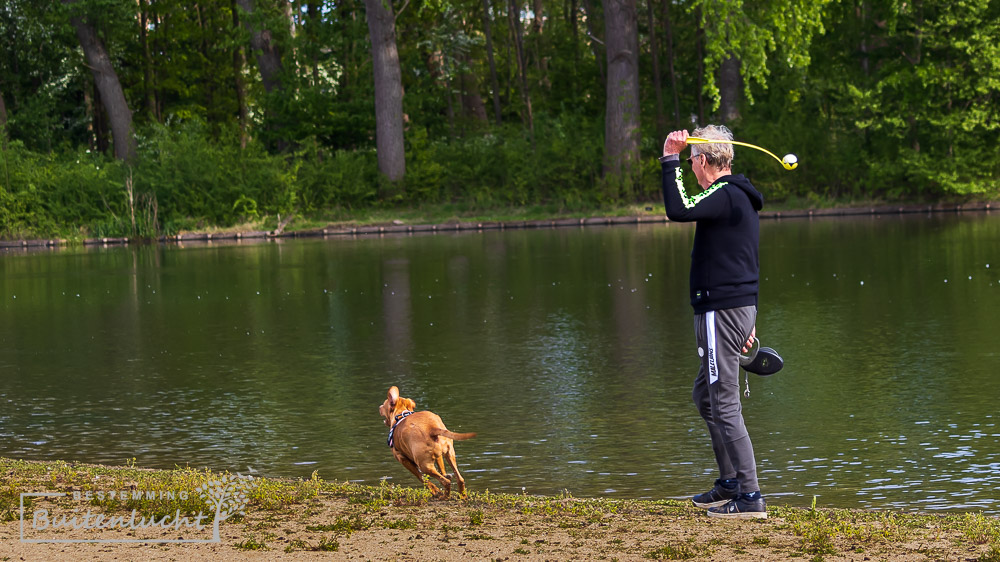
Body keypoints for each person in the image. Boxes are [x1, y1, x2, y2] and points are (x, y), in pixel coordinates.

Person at [659, 125, 767, 519]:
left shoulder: (725, 194)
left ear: (703, 160)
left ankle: (751, 496)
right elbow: (744, 257)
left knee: (722, 401)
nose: (689, 168)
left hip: (721, 310)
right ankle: (731, 483)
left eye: (690, 161)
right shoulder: (735, 197)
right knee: (707, 397)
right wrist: (748, 315)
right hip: (732, 309)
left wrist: (668, 158)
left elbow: (679, 208)